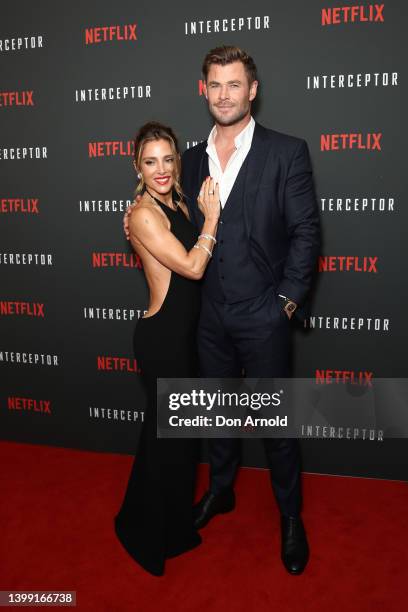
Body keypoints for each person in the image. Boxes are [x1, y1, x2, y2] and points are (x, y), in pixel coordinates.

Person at [124, 46, 320, 575]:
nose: (225, 94)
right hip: (206, 318)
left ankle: (290, 517)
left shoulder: (287, 152)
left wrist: (287, 301)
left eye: (235, 84)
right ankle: (222, 491)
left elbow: (305, 232)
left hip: (263, 314)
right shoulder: (187, 158)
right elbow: (164, 221)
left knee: (276, 424)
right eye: (216, 85)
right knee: (214, 418)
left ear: (252, 90)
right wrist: (137, 214)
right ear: (203, 90)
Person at [114, 121, 220, 577]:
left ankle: (169, 525)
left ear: (177, 161)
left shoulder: (174, 200)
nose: (160, 169)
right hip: (162, 340)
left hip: (185, 336)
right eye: (150, 161)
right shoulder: (142, 213)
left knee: (173, 441)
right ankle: (144, 534)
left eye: (168, 159)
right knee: (165, 443)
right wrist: (212, 219)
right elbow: (194, 267)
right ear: (136, 165)